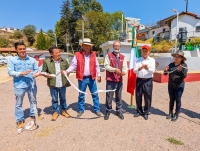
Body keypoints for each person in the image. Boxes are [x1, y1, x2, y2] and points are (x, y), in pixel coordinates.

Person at [7, 42, 42, 129]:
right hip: (19, 85)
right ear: (16, 50)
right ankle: (20, 120)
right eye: (20, 49)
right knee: (18, 103)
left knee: (33, 100)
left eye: (24, 49)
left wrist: (35, 74)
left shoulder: (32, 60)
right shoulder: (12, 60)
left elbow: (36, 70)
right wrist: (22, 73)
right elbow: (10, 72)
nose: (23, 50)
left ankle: (33, 115)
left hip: (31, 84)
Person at [65, 38, 101, 118]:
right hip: (82, 78)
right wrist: (67, 71)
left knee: (95, 94)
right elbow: (73, 65)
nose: (87, 47)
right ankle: (81, 110)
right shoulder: (77, 54)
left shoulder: (93, 54)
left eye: (89, 46)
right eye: (86, 45)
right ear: (83, 46)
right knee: (81, 95)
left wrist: (99, 75)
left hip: (92, 78)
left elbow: (97, 65)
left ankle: (97, 109)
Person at [41, 46, 71, 121]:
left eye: (59, 52)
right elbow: (43, 71)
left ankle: (64, 111)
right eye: (56, 53)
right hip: (53, 84)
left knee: (63, 98)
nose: (59, 54)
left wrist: (66, 74)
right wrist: (46, 75)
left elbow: (68, 70)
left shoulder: (64, 61)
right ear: (51, 54)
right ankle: (55, 112)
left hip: (62, 83)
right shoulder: (47, 62)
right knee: (54, 99)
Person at [104, 40, 128, 120]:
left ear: (120, 47)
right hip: (110, 80)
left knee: (118, 96)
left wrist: (124, 72)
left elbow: (125, 67)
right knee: (109, 96)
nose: (117, 47)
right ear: (113, 47)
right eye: (115, 46)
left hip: (119, 80)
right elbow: (106, 66)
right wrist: (114, 70)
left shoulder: (123, 57)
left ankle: (118, 111)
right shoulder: (109, 55)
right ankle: (108, 110)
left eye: (118, 46)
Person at [164, 50, 188, 121]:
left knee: (178, 99)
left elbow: (184, 76)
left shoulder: (184, 66)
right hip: (171, 84)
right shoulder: (171, 64)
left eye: (178, 57)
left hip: (179, 85)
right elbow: (165, 74)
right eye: (175, 56)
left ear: (182, 58)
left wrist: (180, 71)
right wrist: (165, 70)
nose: (176, 58)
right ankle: (170, 113)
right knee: (171, 99)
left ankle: (176, 113)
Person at [134, 45, 155, 120]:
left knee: (147, 97)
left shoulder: (152, 60)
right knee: (138, 96)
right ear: (142, 51)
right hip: (139, 80)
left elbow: (153, 71)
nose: (145, 52)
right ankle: (139, 111)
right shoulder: (138, 60)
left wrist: (147, 68)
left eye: (146, 51)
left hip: (148, 81)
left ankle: (146, 112)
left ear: (149, 52)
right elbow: (134, 70)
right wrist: (139, 68)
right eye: (143, 51)